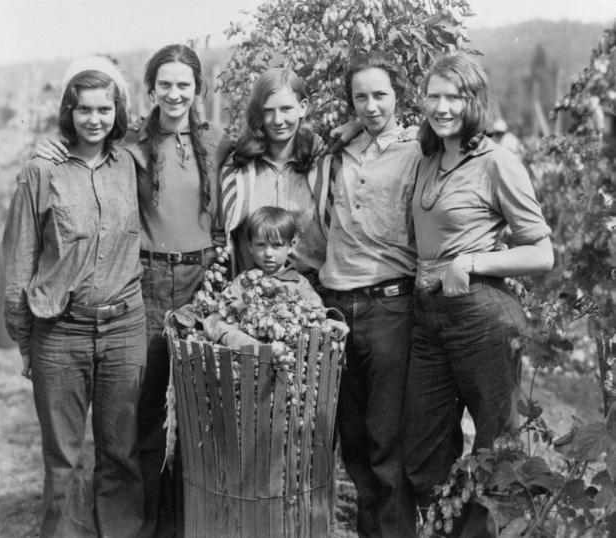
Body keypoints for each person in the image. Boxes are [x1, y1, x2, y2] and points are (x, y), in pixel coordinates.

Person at [34, 44, 231, 538]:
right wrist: (48, 144)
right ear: (149, 90)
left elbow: (275, 148)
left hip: (201, 281)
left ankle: (189, 523)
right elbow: (87, 148)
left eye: (184, 83)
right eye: (164, 83)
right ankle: (140, 527)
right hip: (143, 280)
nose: (174, 93)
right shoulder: (132, 145)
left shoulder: (218, 142)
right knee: (139, 416)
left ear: (198, 89)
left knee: (196, 411)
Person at [403, 52, 554, 537]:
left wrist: (470, 261)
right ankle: (445, 528)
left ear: (474, 103)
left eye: (455, 97)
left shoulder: (496, 161)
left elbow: (541, 253)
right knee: (423, 447)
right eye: (434, 95)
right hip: (428, 314)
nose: (442, 107)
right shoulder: (428, 156)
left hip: (481, 314)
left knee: (496, 445)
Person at [3, 57, 145, 538]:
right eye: (84, 109)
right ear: (69, 111)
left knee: (120, 453)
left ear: (117, 111)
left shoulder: (129, 163)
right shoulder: (41, 171)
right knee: (63, 458)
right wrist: (26, 343)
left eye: (105, 109)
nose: (95, 120)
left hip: (125, 328)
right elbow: (19, 266)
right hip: (60, 332)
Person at [316, 53, 422, 538]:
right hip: (337, 303)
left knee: (386, 439)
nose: (371, 104)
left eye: (380, 94)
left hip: (388, 304)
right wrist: (349, 127)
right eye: (361, 96)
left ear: (399, 95)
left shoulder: (419, 148)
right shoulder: (340, 150)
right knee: (353, 439)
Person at [220, 67, 327, 281]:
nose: (278, 121)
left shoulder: (323, 162)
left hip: (315, 291)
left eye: (286, 108)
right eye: (269, 111)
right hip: (253, 293)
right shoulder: (239, 169)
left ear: (302, 107)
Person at [203, 206, 344, 349]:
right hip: (249, 340)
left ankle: (270, 352)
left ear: (291, 245)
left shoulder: (299, 283)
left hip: (287, 345)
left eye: (276, 245)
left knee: (315, 329)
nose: (268, 253)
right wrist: (245, 306)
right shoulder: (244, 280)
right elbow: (225, 305)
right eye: (261, 245)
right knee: (217, 322)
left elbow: (317, 310)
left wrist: (328, 319)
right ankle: (257, 349)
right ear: (250, 246)